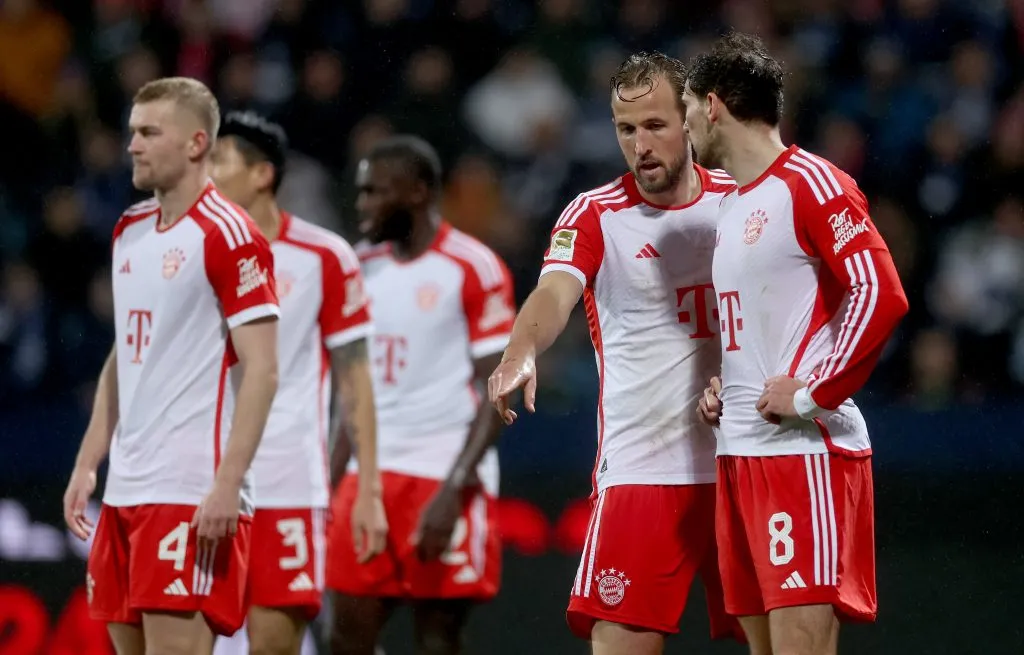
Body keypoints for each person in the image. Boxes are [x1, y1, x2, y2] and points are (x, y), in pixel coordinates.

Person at [488, 52, 744, 655]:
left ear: (691, 119)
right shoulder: (597, 213)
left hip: (745, 458)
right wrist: (520, 350)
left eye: (655, 125)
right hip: (645, 470)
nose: (641, 144)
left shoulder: (745, 200)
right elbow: (554, 292)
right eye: (626, 130)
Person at [682, 32, 909, 655]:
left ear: (715, 105)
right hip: (739, 450)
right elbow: (764, 322)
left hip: (801, 453)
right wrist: (728, 384)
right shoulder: (731, 206)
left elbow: (880, 292)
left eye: (686, 108)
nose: (684, 126)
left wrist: (813, 392)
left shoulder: (813, 182)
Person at [61, 77, 281, 654]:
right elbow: (125, 354)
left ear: (194, 143)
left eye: (149, 132)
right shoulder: (130, 229)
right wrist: (89, 462)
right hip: (125, 488)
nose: (132, 144)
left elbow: (262, 369)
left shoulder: (231, 236)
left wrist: (228, 484)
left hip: (191, 487)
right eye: (132, 131)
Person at [325, 135, 515, 655]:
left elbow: (500, 387)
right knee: (345, 636)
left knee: (437, 640)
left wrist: (455, 486)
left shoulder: (471, 267)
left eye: (375, 192)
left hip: (441, 474)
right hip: (369, 478)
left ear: (417, 192)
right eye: (360, 192)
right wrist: (329, 477)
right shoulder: (359, 268)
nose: (361, 204)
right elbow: (349, 389)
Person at [207, 111, 388, 655]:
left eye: (219, 160)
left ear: (263, 174)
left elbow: (355, 382)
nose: (205, 174)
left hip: (285, 483)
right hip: (194, 479)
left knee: (274, 645)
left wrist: (368, 490)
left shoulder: (324, 257)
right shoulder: (188, 253)